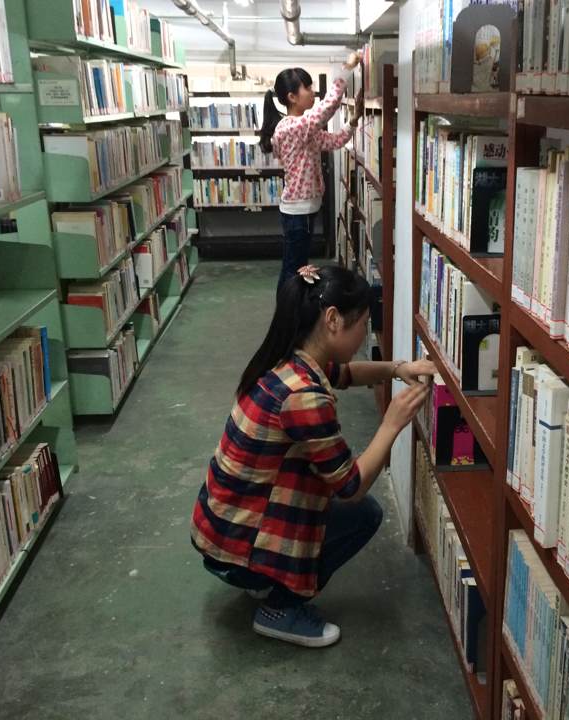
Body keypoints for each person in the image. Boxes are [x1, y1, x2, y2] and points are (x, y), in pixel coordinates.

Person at [190, 264, 435, 648]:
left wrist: (396, 368)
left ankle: (264, 577)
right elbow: (350, 486)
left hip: (221, 527)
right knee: (364, 515)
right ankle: (280, 607)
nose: (364, 334)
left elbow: (347, 373)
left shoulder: (289, 360)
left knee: (332, 506)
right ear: (333, 320)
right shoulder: (303, 397)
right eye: (363, 324)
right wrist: (392, 423)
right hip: (236, 546)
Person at [258, 54, 364, 292]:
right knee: (294, 270)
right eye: (307, 87)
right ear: (292, 97)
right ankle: (287, 311)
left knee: (298, 267)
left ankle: (292, 308)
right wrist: (347, 68)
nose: (313, 92)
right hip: (298, 211)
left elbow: (334, 141)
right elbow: (327, 108)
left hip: (302, 210)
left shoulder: (302, 129)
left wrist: (354, 120)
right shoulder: (294, 127)